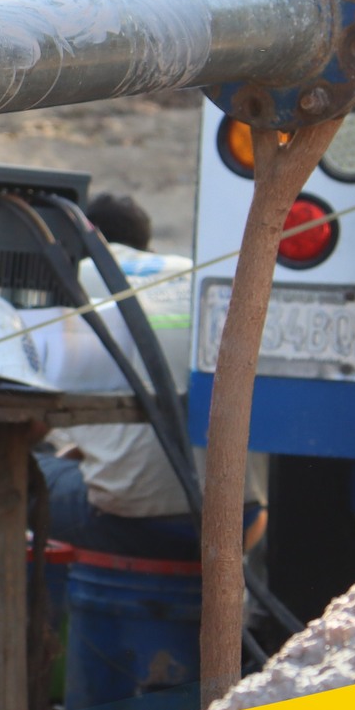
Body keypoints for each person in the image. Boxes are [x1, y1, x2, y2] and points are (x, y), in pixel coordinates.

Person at [35, 192, 264, 561]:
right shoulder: (191, 272)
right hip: (240, 521)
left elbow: (32, 417)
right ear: (146, 245)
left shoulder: (69, 277)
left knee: (13, 473)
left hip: (134, 523)